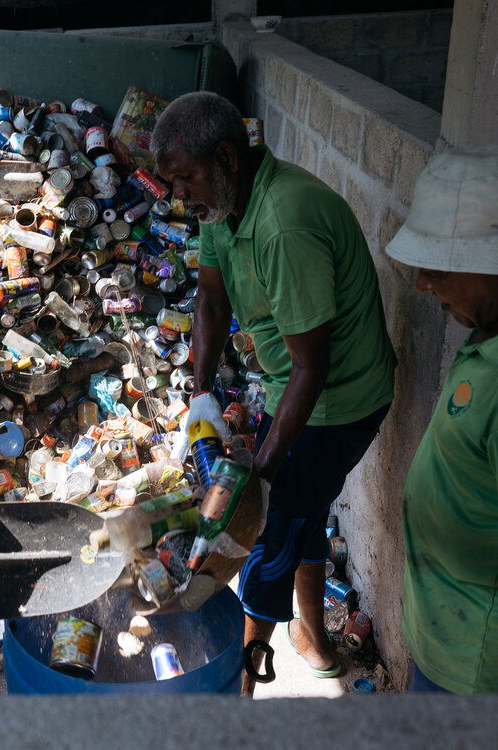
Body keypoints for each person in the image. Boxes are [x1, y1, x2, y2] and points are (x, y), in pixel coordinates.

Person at [151, 92, 396, 696]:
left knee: (264, 532)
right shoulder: (221, 208)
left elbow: (312, 369)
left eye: (186, 179)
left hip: (340, 397)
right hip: (294, 383)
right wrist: (202, 396)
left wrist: (259, 476)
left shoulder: (284, 221)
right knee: (298, 514)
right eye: (171, 184)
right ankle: (312, 638)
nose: (179, 197)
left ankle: (239, 689)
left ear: (228, 157)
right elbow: (210, 300)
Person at [384, 145, 498, 694]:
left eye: (439, 267)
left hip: (477, 659)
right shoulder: (484, 338)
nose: (424, 284)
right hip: (441, 632)